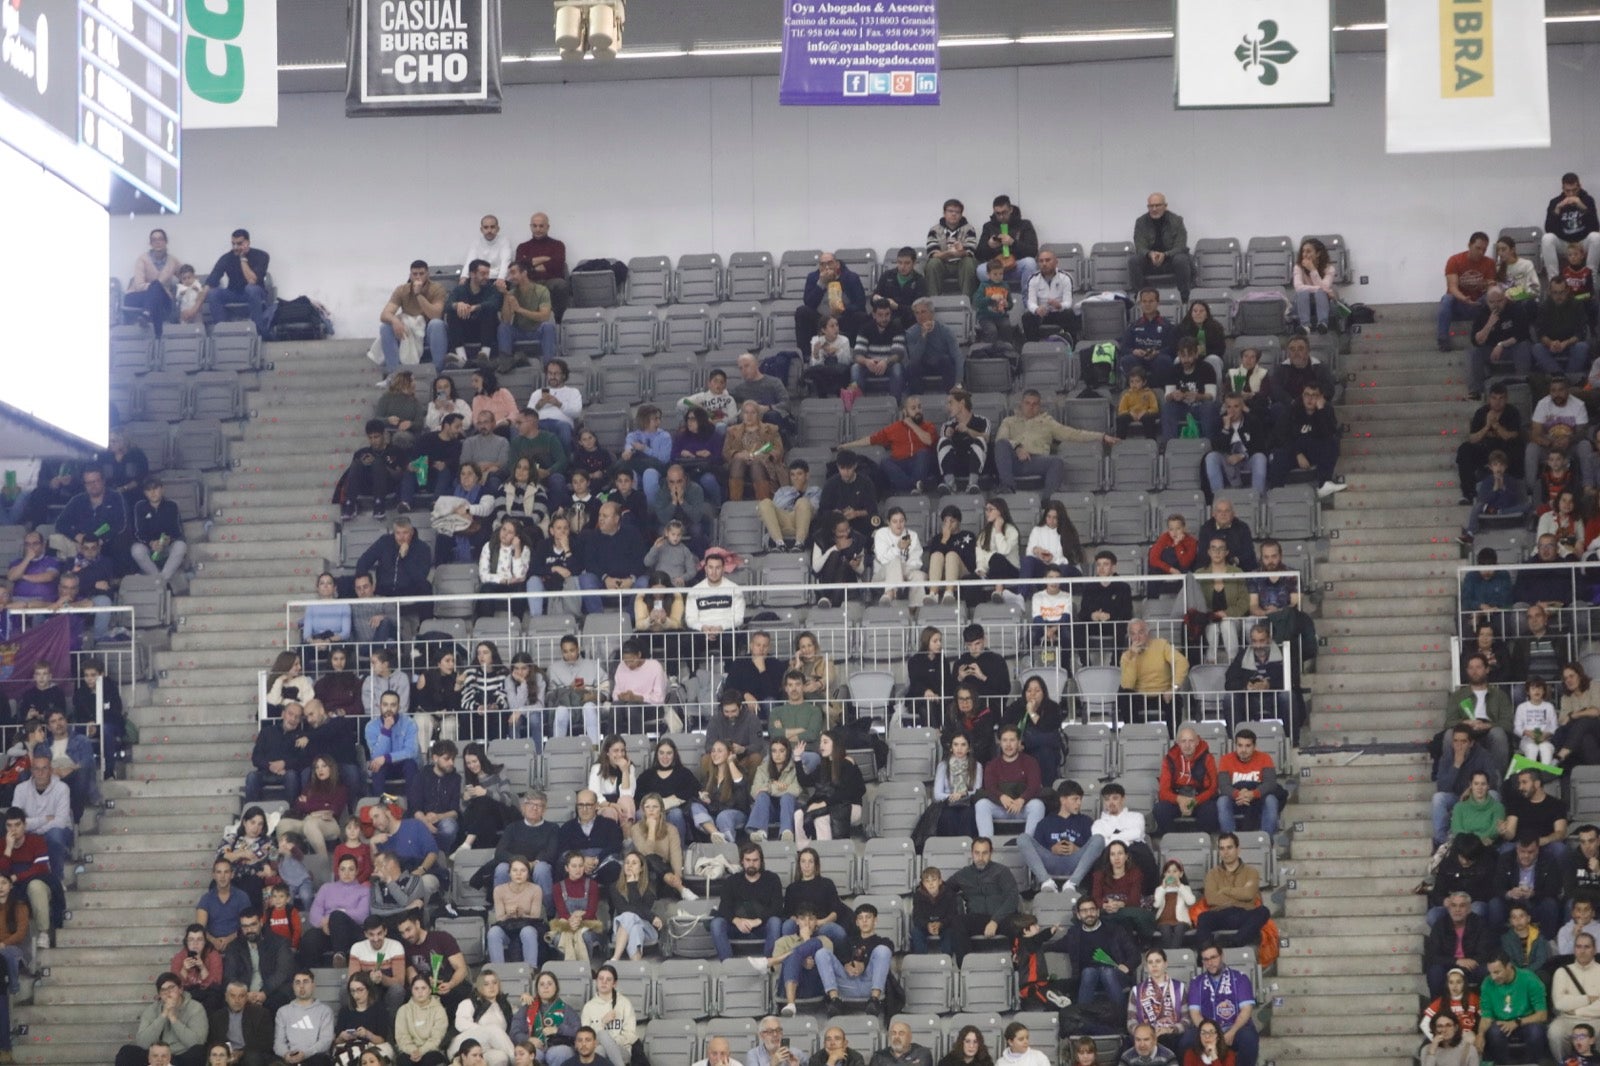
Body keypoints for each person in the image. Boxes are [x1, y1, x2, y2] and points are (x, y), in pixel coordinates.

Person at [995, 389, 1117, 494]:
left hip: (1035, 461)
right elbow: (1001, 439)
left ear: (1039, 406)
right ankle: (1008, 487)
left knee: (1056, 462)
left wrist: (1102, 436)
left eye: (1035, 404)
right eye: (1027, 403)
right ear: (1021, 404)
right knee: (1001, 445)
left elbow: (1073, 434)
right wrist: (1017, 447)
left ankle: (1047, 502)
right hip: (1012, 460)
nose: (1031, 407)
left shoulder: (1047, 422)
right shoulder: (1009, 421)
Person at [1046, 895, 1138, 1008]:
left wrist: (1127, 966)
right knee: (1089, 972)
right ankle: (1082, 1016)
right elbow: (1054, 946)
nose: (1089, 914)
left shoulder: (1114, 930)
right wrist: (1031, 944)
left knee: (1106, 972)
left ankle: (1121, 1015)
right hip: (1087, 979)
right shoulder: (1074, 935)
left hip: (1115, 976)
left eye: (1092, 910)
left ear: (1098, 912)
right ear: (1078, 915)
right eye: (1084, 911)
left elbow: (1135, 954)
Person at [837, 396, 936, 494]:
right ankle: (916, 486)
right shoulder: (894, 428)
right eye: (913, 408)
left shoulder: (928, 426)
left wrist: (912, 424)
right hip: (900, 464)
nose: (917, 410)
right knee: (885, 462)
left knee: (923, 453)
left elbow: (928, 441)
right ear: (905, 412)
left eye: (919, 407)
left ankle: (911, 486)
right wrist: (847, 445)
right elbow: (871, 440)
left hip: (918, 464)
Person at [114, 974, 212, 1066]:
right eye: (163, 990)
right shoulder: (152, 1009)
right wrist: (163, 1015)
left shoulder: (195, 1008)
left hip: (180, 1056)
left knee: (199, 1052)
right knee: (126, 1052)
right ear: (159, 995)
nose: (168, 993)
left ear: (181, 989)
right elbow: (142, 1043)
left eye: (171, 988)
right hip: (155, 1057)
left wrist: (173, 1019)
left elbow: (197, 1042)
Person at [1184, 943, 1258, 1066]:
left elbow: (1246, 1010)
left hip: (1234, 1027)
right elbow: (1195, 1014)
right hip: (1207, 1028)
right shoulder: (1197, 982)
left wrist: (1233, 1031)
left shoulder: (1240, 978)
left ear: (1221, 956)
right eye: (1206, 959)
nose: (1210, 962)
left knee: (1248, 1039)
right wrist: (1208, 1033)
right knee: (1186, 1040)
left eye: (1213, 957)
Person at [377, 260, 449, 384]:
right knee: (385, 327)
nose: (418, 277)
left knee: (437, 324)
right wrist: (395, 321)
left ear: (427, 274)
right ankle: (394, 375)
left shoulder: (437, 289)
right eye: (415, 274)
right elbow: (384, 314)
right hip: (408, 330)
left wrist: (418, 295)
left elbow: (436, 314)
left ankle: (438, 373)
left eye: (421, 273)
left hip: (428, 332)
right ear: (410, 275)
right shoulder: (402, 290)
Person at [1270, 382, 1346, 499]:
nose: (1310, 399)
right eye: (1307, 395)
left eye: (1314, 395)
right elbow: (1281, 435)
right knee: (1279, 454)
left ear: (1320, 397)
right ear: (1302, 395)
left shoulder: (1327, 410)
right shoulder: (1293, 409)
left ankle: (1324, 484)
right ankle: (1275, 492)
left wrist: (1321, 411)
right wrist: (1298, 454)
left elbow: (1328, 434)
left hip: (1315, 449)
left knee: (1332, 442)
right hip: (1294, 449)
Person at [711, 842, 784, 961]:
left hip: (762, 926)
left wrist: (758, 921)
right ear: (742, 861)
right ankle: (728, 964)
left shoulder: (772, 879)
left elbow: (777, 907)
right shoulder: (732, 881)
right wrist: (737, 921)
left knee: (775, 922)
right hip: (737, 927)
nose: (751, 864)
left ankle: (768, 963)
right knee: (717, 923)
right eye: (748, 860)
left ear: (761, 861)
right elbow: (724, 908)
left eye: (755, 860)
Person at [1478, 954, 1550, 1064]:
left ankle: (1533, 1063)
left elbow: (1542, 1014)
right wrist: (1480, 1035)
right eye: (1491, 973)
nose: (1493, 977)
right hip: (1501, 1024)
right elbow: (1486, 1016)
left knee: (1536, 1031)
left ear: (1509, 966)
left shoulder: (1529, 978)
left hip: (1526, 1022)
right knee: (1493, 1032)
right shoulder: (1487, 983)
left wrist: (1516, 1022)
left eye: (1497, 972)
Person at [948, 837, 1019, 945]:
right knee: (957, 923)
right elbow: (944, 889)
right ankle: (965, 961)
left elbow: (1013, 898)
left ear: (991, 853)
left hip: (1002, 918)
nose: (980, 857)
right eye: (977, 853)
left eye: (985, 853)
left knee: (1018, 924)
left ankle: (1016, 960)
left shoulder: (1002, 871)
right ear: (971, 853)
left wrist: (995, 921)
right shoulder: (963, 874)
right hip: (977, 919)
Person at [1120, 619, 1190, 726]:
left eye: (1141, 632)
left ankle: (1172, 739)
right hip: (1140, 695)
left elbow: (1182, 662)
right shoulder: (1126, 656)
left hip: (1163, 694)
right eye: (1133, 634)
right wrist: (1133, 656)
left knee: (1176, 700)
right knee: (1124, 695)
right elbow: (1128, 685)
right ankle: (1135, 735)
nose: (1137, 638)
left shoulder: (1161, 645)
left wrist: (1173, 688)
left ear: (1147, 633)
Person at [202, 228, 271, 336]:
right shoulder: (226, 258)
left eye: (239, 244)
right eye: (233, 244)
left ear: (247, 243)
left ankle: (258, 331)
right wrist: (195, 307)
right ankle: (222, 332)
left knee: (251, 289)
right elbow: (211, 282)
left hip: (256, 292)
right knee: (213, 293)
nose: (235, 247)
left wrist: (242, 258)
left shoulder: (262, 256)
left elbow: (252, 281)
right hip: (234, 292)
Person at [796, 252, 869, 354]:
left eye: (830, 263)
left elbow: (860, 303)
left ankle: (856, 353)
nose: (826, 267)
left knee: (861, 316)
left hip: (843, 317)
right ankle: (806, 356)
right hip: (821, 319)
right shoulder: (812, 278)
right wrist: (821, 283)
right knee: (802, 312)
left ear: (837, 264)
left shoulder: (851, 277)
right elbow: (809, 303)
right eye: (822, 264)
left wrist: (843, 310)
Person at [1439, 232, 1499, 351]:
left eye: (1484, 249)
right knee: (1447, 299)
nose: (1481, 252)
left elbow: (1491, 287)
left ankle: (1492, 338)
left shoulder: (1489, 263)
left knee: (1493, 296)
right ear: (1469, 245)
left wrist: (1486, 286)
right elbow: (1452, 287)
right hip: (1460, 304)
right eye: (1478, 248)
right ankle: (1442, 339)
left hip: (1478, 304)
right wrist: (1463, 298)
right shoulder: (1455, 260)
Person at [1216, 730, 1280, 838]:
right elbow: (1223, 786)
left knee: (1271, 800)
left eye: (1248, 746)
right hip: (1236, 799)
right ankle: (1229, 840)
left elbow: (1270, 783)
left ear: (1254, 746)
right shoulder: (1226, 759)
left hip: (1258, 799)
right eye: (1240, 745)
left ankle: (1267, 840)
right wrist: (1239, 794)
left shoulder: (1265, 758)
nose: (1243, 750)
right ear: (1235, 745)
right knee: (1222, 801)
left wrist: (1253, 794)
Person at [1130, 193, 1192, 301]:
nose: (1154, 209)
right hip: (1150, 262)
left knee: (1181, 259)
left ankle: (1185, 298)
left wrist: (1165, 254)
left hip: (1171, 261)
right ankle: (1140, 297)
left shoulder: (1177, 220)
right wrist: (1150, 254)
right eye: (1151, 206)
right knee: (1134, 260)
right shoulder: (1140, 222)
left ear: (1165, 206)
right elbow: (1140, 246)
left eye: (1157, 205)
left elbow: (1181, 246)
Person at [1129, 949, 1191, 1056]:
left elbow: (1187, 1020)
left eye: (1158, 961)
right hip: (1145, 1036)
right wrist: (1145, 1033)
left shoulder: (1179, 987)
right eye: (1150, 962)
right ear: (1146, 966)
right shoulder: (1136, 990)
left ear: (1165, 964)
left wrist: (1171, 1029)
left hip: (1172, 1034)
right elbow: (1131, 1021)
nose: (1154, 965)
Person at [498, 260, 559, 366]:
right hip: (519, 331)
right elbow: (506, 320)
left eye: (513, 272)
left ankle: (549, 365)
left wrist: (519, 310)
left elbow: (544, 316)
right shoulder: (511, 293)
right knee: (503, 327)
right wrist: (505, 295)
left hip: (537, 331)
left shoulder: (542, 291)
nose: (510, 277)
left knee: (548, 327)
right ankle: (505, 363)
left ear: (524, 273)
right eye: (509, 274)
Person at [1533, 277, 1593, 381]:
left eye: (1561, 292)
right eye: (1555, 293)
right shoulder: (1544, 307)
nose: (1558, 296)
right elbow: (1539, 332)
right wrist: (1550, 343)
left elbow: (1581, 332)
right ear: (1549, 292)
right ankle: (1561, 378)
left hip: (1571, 344)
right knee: (1537, 348)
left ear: (1567, 291)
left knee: (1582, 347)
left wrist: (1566, 343)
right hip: (1551, 345)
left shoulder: (1576, 305)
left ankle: (1566, 379)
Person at [978, 196, 1040, 294]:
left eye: (1004, 212)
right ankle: (995, 301)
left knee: (1030, 263)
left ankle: (1028, 301)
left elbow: (1033, 251)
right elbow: (979, 254)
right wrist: (989, 246)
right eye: (998, 213)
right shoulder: (988, 226)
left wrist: (1013, 243)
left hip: (1017, 265)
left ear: (1011, 209)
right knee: (981, 270)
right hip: (996, 267)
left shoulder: (1025, 224)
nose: (1001, 216)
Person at [131, 476, 188, 584]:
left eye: (155, 488)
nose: (152, 493)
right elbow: (138, 532)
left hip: (166, 547)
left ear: (162, 489)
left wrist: (168, 540)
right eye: (148, 490)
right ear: (144, 493)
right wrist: (151, 543)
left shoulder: (172, 506)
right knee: (136, 550)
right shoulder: (140, 506)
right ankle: (159, 579)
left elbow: (178, 531)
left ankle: (162, 580)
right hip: (149, 547)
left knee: (181, 546)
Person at [125, 227, 181, 334]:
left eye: (160, 239)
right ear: (150, 243)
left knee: (157, 292)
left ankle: (146, 315)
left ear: (166, 242)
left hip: (163, 300)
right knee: (156, 287)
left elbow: (184, 277)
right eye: (154, 240)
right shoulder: (142, 259)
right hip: (139, 297)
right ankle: (157, 336)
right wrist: (157, 288)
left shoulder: (173, 261)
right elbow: (139, 286)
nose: (157, 242)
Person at [273, 970, 335, 1066]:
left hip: (314, 1058)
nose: (301, 986)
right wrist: (286, 1055)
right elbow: (278, 1042)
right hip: (289, 1057)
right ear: (293, 986)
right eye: (297, 982)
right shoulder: (283, 1011)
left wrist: (305, 1054)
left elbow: (325, 1041)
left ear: (313, 985)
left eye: (305, 982)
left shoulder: (325, 1011)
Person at [1162, 338, 1220, 442]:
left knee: (1210, 406)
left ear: (1196, 354)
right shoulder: (1173, 370)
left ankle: (1210, 443)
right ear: (1178, 355)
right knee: (1168, 407)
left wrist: (1198, 396)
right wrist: (1173, 395)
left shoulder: (1207, 368)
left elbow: (1212, 396)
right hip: (1181, 407)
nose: (1186, 359)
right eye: (1183, 356)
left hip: (1200, 407)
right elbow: (1167, 397)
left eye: (1190, 355)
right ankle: (1169, 445)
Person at [850, 297, 908, 398]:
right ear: (874, 315)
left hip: (889, 364)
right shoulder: (865, 328)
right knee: (855, 368)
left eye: (887, 314)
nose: (884, 318)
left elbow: (898, 354)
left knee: (897, 368)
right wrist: (866, 362)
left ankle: (895, 404)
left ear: (891, 314)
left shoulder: (897, 327)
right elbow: (857, 354)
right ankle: (859, 405)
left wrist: (886, 362)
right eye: (880, 315)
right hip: (869, 364)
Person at [515, 212, 570, 319]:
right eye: (534, 226)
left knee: (561, 285)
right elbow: (520, 266)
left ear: (547, 227)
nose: (538, 229)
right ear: (530, 227)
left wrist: (530, 264)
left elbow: (557, 265)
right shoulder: (523, 247)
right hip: (530, 282)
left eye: (541, 226)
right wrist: (545, 259)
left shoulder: (558, 245)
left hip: (551, 281)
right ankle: (521, 321)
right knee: (515, 284)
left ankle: (558, 320)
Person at [758, 459, 820, 552]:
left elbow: (814, 509)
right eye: (792, 475)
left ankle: (799, 543)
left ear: (807, 475)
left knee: (803, 502)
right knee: (765, 503)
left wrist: (800, 498)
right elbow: (777, 507)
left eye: (799, 474)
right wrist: (794, 491)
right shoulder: (783, 491)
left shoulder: (815, 491)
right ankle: (779, 544)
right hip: (782, 521)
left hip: (801, 522)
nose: (795, 478)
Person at [905, 297, 965, 392]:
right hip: (922, 365)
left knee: (946, 360)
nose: (920, 316)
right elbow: (914, 358)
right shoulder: (911, 332)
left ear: (932, 313)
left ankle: (952, 394)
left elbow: (957, 356)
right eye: (917, 313)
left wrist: (958, 383)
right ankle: (916, 396)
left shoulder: (945, 331)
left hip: (941, 364)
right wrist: (923, 336)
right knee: (912, 366)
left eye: (923, 312)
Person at [925, 198, 980, 295]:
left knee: (969, 262)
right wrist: (949, 253)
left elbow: (970, 252)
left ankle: (966, 301)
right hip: (943, 265)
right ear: (944, 213)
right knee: (932, 263)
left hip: (961, 265)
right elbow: (933, 254)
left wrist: (961, 251)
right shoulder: (934, 230)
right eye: (950, 211)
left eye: (957, 212)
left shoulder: (969, 229)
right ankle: (933, 301)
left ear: (961, 215)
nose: (954, 214)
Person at [1022, 248, 1078, 342]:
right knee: (1027, 317)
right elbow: (1030, 302)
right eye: (1041, 261)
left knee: (1070, 314)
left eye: (1048, 260)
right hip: (1041, 314)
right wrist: (1036, 309)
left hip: (1059, 312)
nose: (1044, 264)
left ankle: (1072, 345)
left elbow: (1068, 302)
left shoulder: (1065, 278)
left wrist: (1060, 305)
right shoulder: (1033, 279)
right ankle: (1032, 346)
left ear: (1056, 262)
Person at [1292, 239, 1338, 334]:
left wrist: (1312, 269)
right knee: (1303, 292)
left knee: (1320, 293)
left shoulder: (1330, 269)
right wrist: (1323, 290)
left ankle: (1323, 324)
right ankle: (1305, 326)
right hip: (1302, 303)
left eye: (1308, 251)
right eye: (1303, 251)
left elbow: (1325, 287)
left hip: (1323, 304)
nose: (1304, 254)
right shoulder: (1298, 267)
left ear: (1318, 254)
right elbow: (1298, 287)